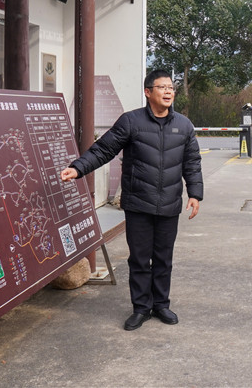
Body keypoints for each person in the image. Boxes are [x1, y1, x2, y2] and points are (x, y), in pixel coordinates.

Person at [60, 69, 203, 331]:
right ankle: (140, 308)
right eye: (162, 87)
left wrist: (194, 193)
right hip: (139, 204)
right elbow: (104, 149)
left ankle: (161, 304)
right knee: (139, 258)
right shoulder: (131, 122)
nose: (169, 92)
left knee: (163, 258)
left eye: (171, 87)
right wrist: (78, 168)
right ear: (148, 92)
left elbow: (192, 163)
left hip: (170, 204)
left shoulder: (183, 125)